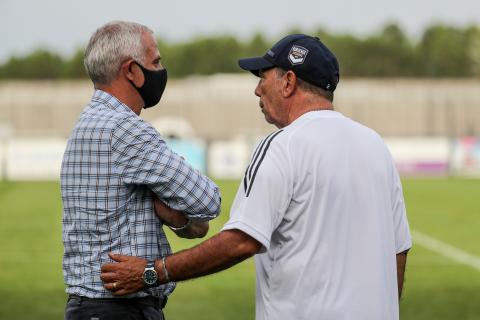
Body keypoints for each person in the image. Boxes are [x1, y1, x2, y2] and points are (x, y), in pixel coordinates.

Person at [100, 34, 412, 320]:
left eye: (263, 77)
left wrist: (152, 272)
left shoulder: (282, 146)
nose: (257, 89)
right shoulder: (376, 146)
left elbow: (241, 241)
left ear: (288, 82)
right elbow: (398, 250)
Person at [61, 21, 221, 320]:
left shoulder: (87, 122)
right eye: (156, 61)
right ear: (132, 71)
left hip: (87, 305)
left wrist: (177, 220)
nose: (161, 70)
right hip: (120, 309)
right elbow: (208, 201)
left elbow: (190, 221)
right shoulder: (126, 129)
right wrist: (182, 216)